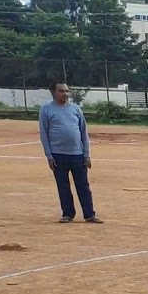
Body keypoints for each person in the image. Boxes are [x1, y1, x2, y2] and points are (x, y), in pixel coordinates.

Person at [39, 82, 99, 223]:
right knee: (63, 186)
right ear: (53, 92)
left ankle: (89, 214)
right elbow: (44, 134)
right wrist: (49, 156)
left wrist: (86, 154)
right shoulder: (46, 110)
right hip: (58, 155)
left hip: (77, 155)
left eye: (67, 91)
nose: (65, 94)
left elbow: (84, 132)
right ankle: (67, 214)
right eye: (61, 91)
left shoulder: (76, 109)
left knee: (83, 186)